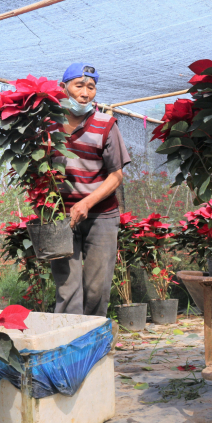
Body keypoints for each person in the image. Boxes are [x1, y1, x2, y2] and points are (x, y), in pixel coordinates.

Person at [47, 63, 131, 317]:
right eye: (79, 85)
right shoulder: (48, 125)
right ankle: (68, 347)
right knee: (67, 288)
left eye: (91, 87)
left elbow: (116, 175)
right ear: (63, 88)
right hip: (61, 215)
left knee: (97, 288)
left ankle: (91, 342)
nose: (85, 93)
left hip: (101, 216)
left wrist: (87, 203)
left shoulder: (106, 125)